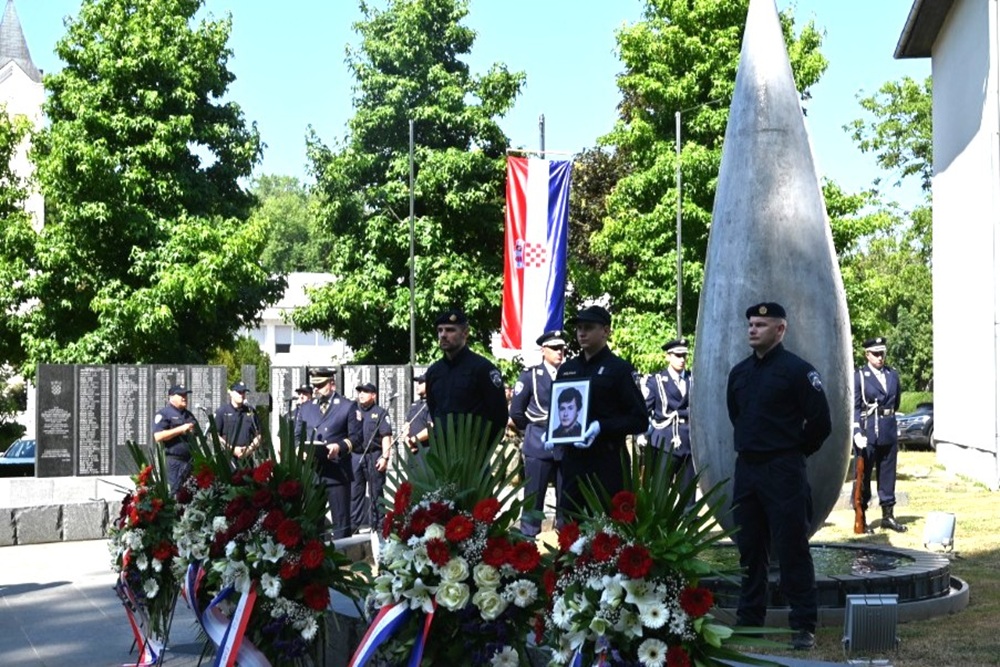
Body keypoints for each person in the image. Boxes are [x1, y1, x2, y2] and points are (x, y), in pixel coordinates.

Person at [726, 302, 832, 651]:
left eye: (761, 324)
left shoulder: (798, 371)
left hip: (783, 470)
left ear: (780, 329)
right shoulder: (739, 373)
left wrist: (795, 450)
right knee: (750, 549)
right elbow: (737, 416)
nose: (752, 329)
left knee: (792, 548)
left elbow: (821, 422)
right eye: (750, 324)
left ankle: (803, 624)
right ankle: (749, 621)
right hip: (748, 470)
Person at [555, 305, 648, 516]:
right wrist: (553, 431)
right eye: (579, 328)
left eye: (588, 327)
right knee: (570, 524)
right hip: (573, 462)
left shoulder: (620, 369)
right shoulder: (568, 369)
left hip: (607, 461)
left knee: (606, 526)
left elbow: (639, 420)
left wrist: (601, 426)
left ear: (605, 331)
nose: (582, 333)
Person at [509, 330, 567, 536]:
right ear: (543, 350)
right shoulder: (530, 375)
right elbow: (516, 411)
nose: (559, 352)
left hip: (564, 444)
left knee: (565, 502)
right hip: (538, 442)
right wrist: (532, 430)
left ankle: (565, 543)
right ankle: (528, 541)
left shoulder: (570, 374)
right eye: (554, 348)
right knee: (533, 500)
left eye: (562, 348)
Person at [295, 368, 362, 539]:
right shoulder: (306, 408)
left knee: (341, 523)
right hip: (312, 473)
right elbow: (297, 436)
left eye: (321, 385)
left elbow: (356, 438)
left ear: (332, 384)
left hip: (336, 472)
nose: (317, 389)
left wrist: (339, 447)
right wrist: (299, 451)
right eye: (315, 386)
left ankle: (342, 554)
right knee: (312, 525)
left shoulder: (347, 406)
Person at [424, 308, 508, 442]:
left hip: (474, 448)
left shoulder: (483, 369)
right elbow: (434, 411)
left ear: (465, 333)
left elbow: (499, 415)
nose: (443, 335)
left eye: (450, 330)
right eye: (440, 330)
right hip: (443, 448)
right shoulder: (434, 372)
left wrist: (483, 447)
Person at [853, 336, 907, 532]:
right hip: (868, 431)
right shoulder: (860, 376)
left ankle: (888, 516)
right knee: (864, 475)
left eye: (882, 353)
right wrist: (856, 431)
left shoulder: (892, 374)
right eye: (876, 354)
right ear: (867, 355)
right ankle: (862, 515)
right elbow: (855, 406)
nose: (880, 357)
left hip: (888, 429)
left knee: (888, 474)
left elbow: (896, 403)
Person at [644, 338, 695, 489]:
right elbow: (645, 410)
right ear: (668, 357)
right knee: (660, 493)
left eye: (684, 356)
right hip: (665, 442)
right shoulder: (656, 381)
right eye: (677, 355)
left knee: (688, 495)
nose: (682, 360)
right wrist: (641, 434)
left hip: (689, 442)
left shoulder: (693, 379)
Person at [350, 382, 393, 533]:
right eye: (359, 391)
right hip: (356, 456)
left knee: (376, 491)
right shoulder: (353, 411)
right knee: (355, 493)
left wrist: (385, 457)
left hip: (374, 455)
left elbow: (386, 436)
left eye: (365, 392)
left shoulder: (380, 413)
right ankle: (353, 525)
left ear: (373, 395)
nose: (361, 394)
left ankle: (379, 525)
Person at [152, 384, 198, 495]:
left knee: (191, 494)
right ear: (171, 397)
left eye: (185, 395)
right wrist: (181, 429)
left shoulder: (189, 415)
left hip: (190, 461)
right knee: (176, 494)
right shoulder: (164, 414)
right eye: (181, 395)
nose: (184, 397)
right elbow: (158, 436)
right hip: (174, 462)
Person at [214, 381, 260, 461]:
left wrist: (249, 449)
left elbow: (258, 435)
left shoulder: (251, 411)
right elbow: (214, 435)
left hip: (247, 458)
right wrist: (232, 449)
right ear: (231, 393)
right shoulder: (222, 411)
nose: (242, 395)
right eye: (239, 392)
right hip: (227, 458)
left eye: (243, 392)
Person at [403, 373, 431, 468]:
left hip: (426, 450)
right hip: (412, 450)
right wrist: (406, 439)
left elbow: (431, 427)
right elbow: (407, 424)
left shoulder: (433, 404)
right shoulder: (415, 404)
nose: (417, 385)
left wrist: (413, 440)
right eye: (417, 382)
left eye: (421, 382)